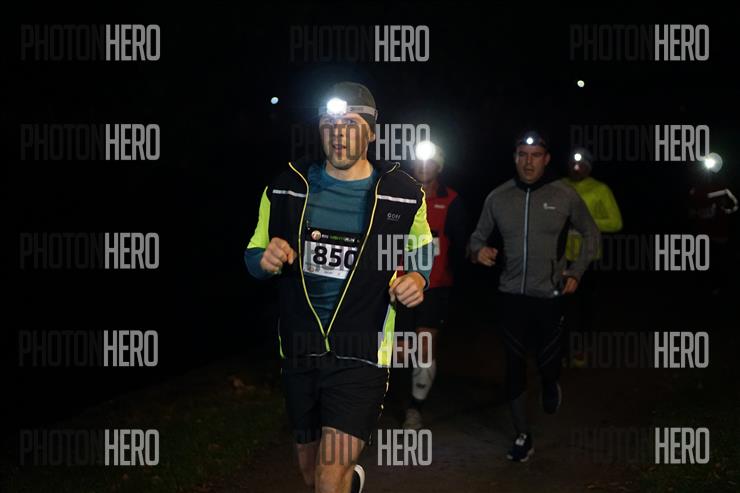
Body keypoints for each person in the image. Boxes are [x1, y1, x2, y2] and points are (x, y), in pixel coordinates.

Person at [244, 81, 433, 493]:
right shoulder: (286, 187)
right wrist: (264, 260)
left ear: (372, 133)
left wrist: (418, 278)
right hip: (300, 349)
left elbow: (422, 252)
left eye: (350, 124)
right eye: (329, 124)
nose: (338, 134)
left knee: (328, 479)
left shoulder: (403, 195)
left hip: (362, 354)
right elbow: (254, 254)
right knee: (312, 474)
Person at [469, 131, 600, 462]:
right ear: (515, 158)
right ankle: (522, 435)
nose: (529, 162)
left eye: (536, 155)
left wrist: (576, 272)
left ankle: (551, 381)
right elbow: (475, 239)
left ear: (547, 159)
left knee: (548, 361)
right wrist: (478, 251)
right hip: (510, 295)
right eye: (523, 155)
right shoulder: (498, 197)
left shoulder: (564, 195)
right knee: (514, 365)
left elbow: (591, 233)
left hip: (550, 295)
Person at [397, 142, 468, 430]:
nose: (423, 167)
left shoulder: (452, 201)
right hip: (398, 285)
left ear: (439, 166)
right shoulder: (398, 194)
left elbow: (461, 244)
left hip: (435, 287)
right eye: (418, 161)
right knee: (400, 351)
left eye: (430, 162)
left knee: (424, 345)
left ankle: (415, 408)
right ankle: (383, 400)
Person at [562, 148, 623, 366]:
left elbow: (616, 223)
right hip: (562, 258)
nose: (577, 168)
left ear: (589, 167)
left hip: (589, 258)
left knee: (585, 306)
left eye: (582, 165)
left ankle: (581, 349)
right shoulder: (559, 186)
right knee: (562, 305)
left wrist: (586, 223)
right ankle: (563, 349)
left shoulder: (600, 189)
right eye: (573, 164)